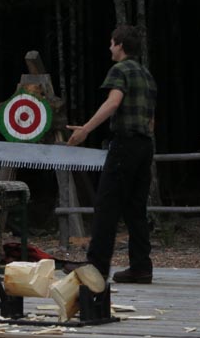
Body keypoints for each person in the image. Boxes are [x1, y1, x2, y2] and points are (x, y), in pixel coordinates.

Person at [66, 25, 157, 284]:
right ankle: (141, 267)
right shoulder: (147, 75)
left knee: (107, 205)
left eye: (111, 43)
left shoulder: (120, 70)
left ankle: (96, 268)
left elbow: (113, 102)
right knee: (135, 209)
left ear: (119, 44)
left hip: (125, 145)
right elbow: (151, 121)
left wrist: (85, 129)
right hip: (144, 146)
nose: (109, 48)